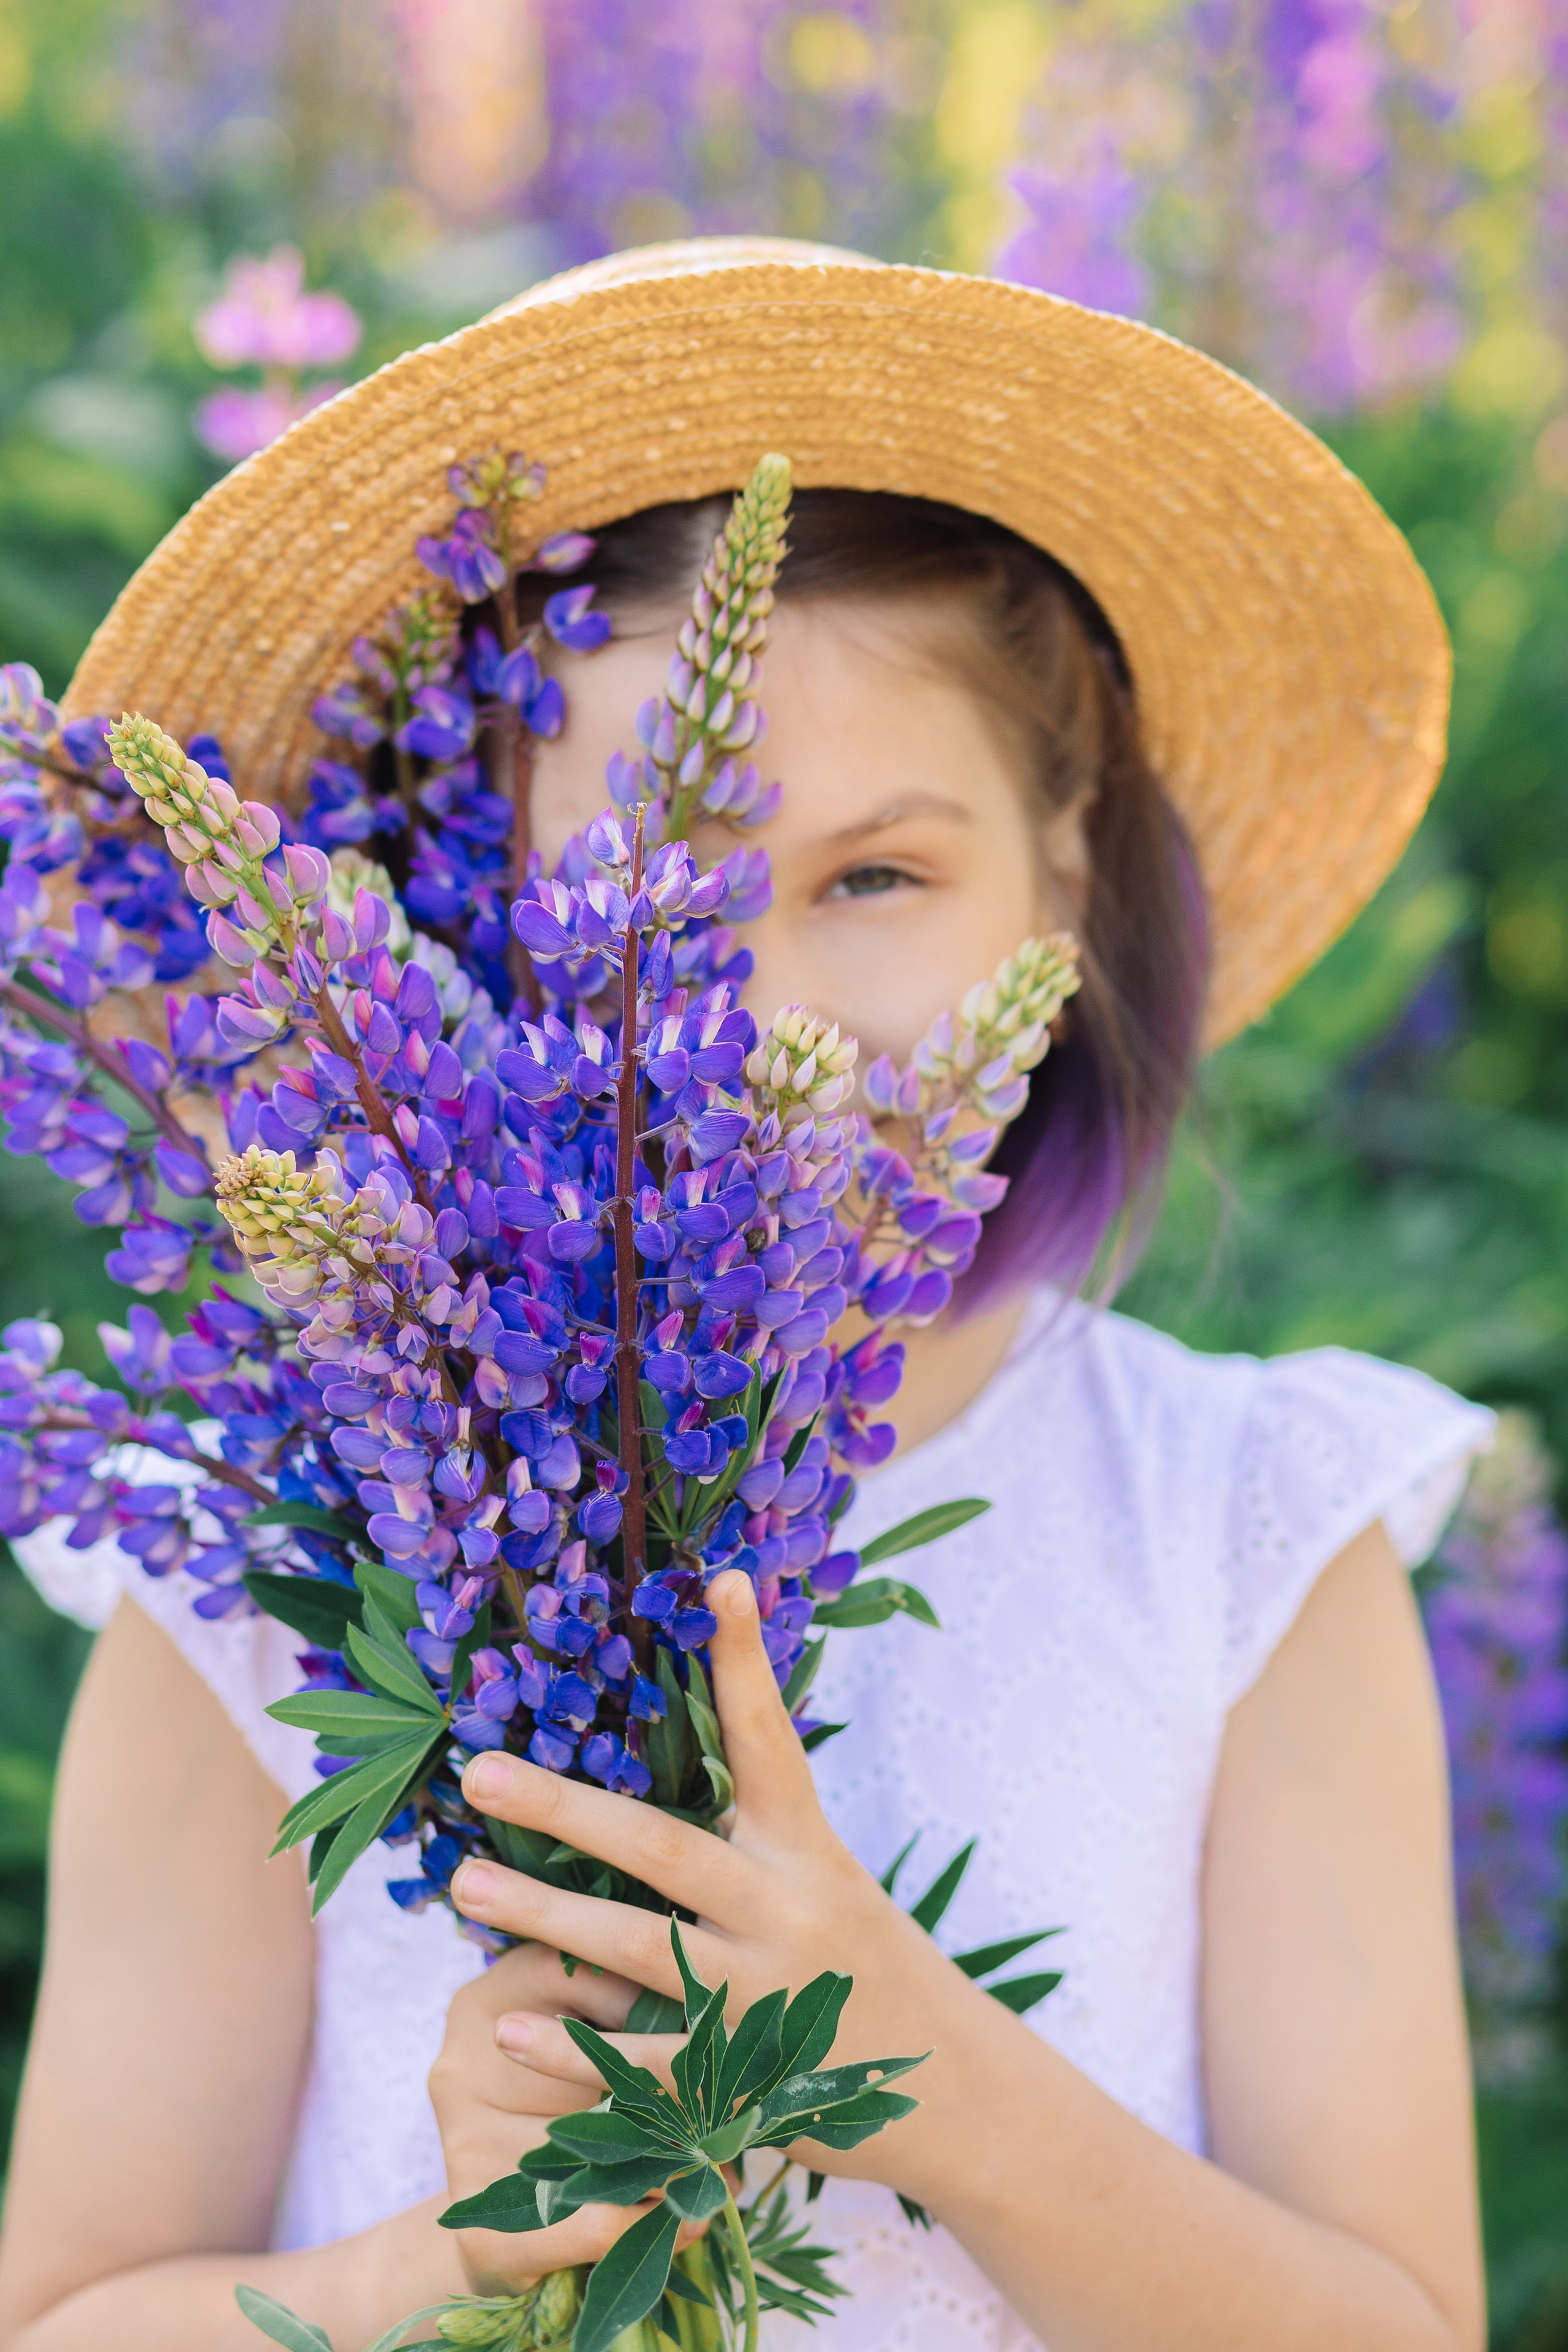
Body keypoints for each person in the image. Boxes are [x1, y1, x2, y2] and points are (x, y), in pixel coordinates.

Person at [0, 239, 1489, 2352]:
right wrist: (448, 2259)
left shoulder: (1237, 1525)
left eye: (876, 875)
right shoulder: (283, 1555)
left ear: (1067, 870)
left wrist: (933, 2078)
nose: (756, 1015)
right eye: (633, 908)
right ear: (468, 925)